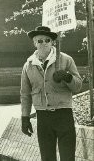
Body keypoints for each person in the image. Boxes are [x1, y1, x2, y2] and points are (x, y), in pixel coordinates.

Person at [20, 26, 82, 161]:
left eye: (47, 40)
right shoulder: (28, 65)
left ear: (53, 42)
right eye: (39, 41)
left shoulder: (65, 60)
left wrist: (67, 77)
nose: (43, 43)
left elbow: (78, 86)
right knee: (47, 157)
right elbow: (25, 94)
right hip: (43, 118)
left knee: (68, 157)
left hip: (63, 115)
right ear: (34, 43)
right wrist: (25, 117)